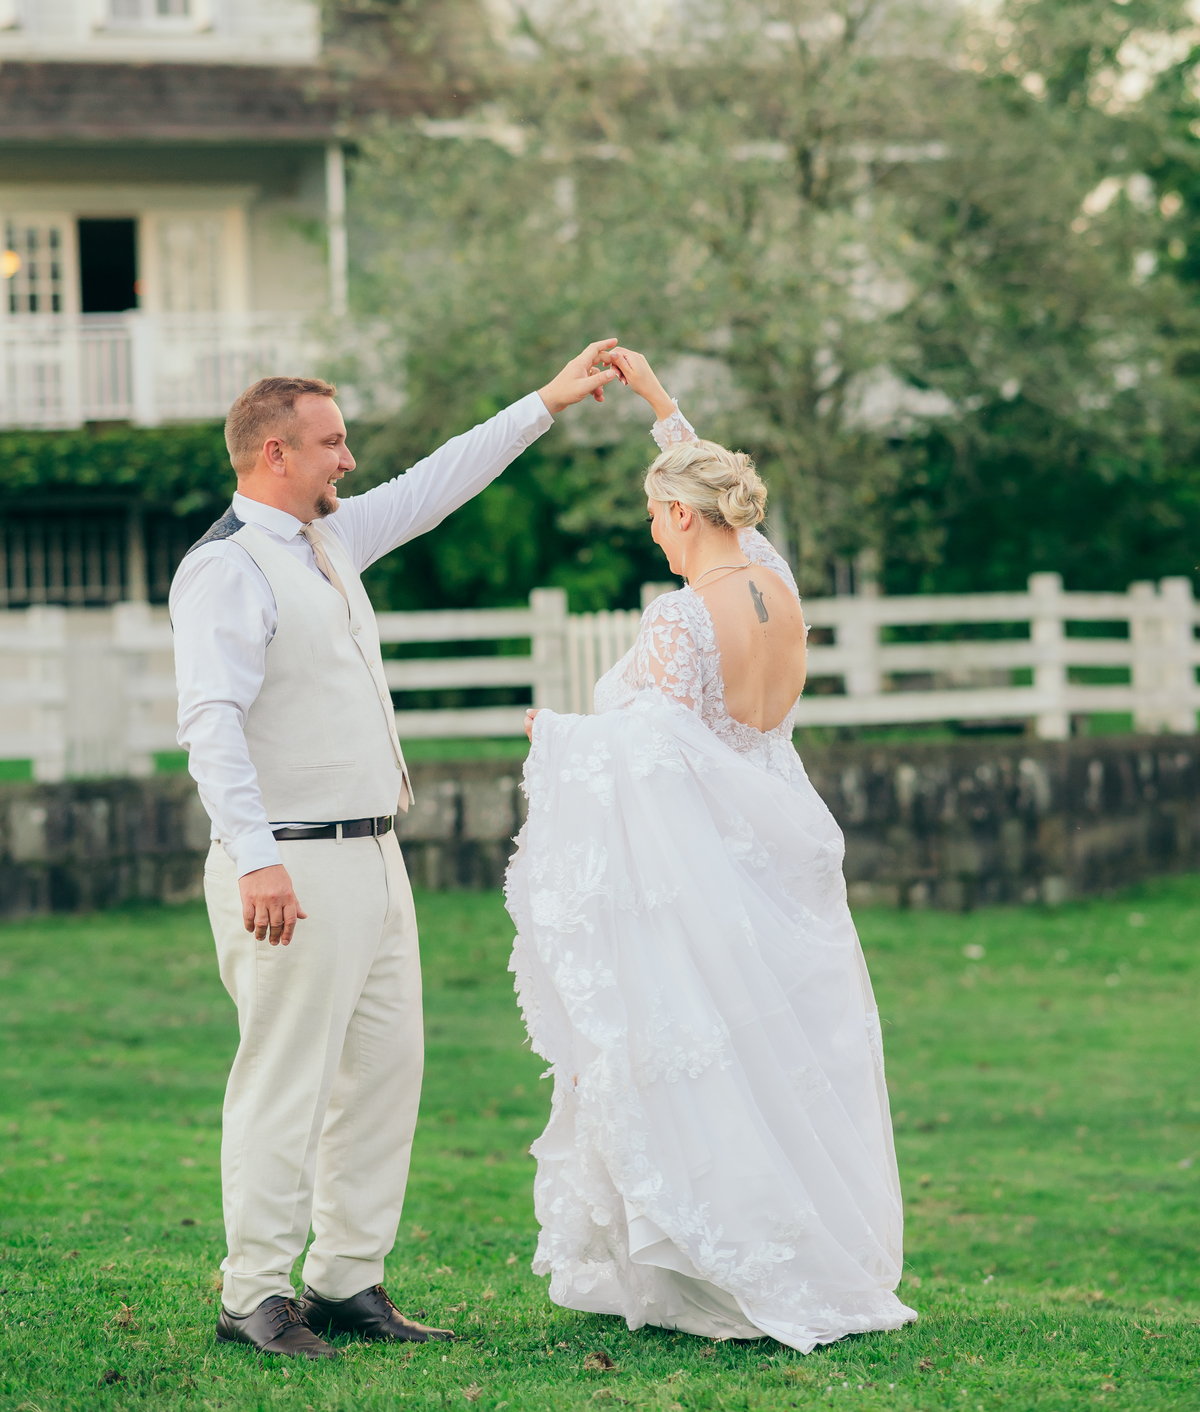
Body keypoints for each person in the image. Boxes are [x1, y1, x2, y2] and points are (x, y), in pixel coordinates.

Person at [170, 341, 619, 1360]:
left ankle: (344, 1280)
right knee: (285, 1080)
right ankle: (253, 1293)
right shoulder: (225, 569)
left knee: (383, 1073)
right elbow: (210, 723)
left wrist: (546, 401)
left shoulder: (328, 540)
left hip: (374, 855)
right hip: (289, 863)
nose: (349, 458)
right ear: (275, 452)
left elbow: (436, 482)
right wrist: (256, 857)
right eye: (332, 443)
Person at [506, 348, 916, 1353]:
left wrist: (557, 737)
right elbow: (716, 494)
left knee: (719, 1059)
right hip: (786, 842)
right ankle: (809, 1246)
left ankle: (730, 1261)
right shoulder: (777, 584)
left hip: (709, 863)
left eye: (656, 514)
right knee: (790, 1060)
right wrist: (659, 405)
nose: (653, 531)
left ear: (683, 517)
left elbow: (652, 750)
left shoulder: (681, 618)